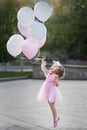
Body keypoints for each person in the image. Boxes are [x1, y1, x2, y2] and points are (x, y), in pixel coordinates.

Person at [37, 56, 65, 127]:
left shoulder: (55, 76)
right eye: (53, 66)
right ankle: (56, 118)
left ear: (58, 70)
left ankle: (55, 119)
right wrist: (43, 62)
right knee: (51, 106)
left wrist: (56, 82)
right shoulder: (49, 73)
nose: (52, 67)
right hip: (47, 91)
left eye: (55, 67)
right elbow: (44, 69)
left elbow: (57, 84)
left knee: (52, 106)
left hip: (52, 92)